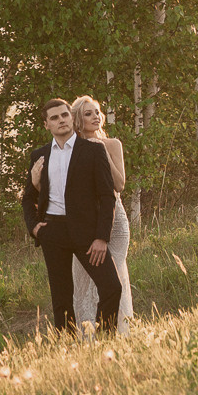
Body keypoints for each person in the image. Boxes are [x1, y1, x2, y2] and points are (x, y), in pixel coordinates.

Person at [21, 98, 122, 335]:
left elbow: (108, 196)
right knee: (61, 298)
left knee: (111, 287)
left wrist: (101, 237)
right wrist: (35, 228)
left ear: (71, 117)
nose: (61, 121)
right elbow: (27, 198)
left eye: (64, 115)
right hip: (53, 232)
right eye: (54, 118)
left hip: (87, 234)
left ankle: (106, 341)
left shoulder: (94, 150)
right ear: (47, 124)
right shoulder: (39, 155)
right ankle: (66, 349)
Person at [66, 95, 133, 329]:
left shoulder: (112, 144)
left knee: (115, 275)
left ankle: (121, 331)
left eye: (96, 112)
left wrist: (99, 151)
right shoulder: (72, 150)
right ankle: (88, 335)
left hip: (114, 222)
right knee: (84, 279)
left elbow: (119, 185)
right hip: (84, 222)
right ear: (77, 120)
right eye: (88, 113)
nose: (95, 117)